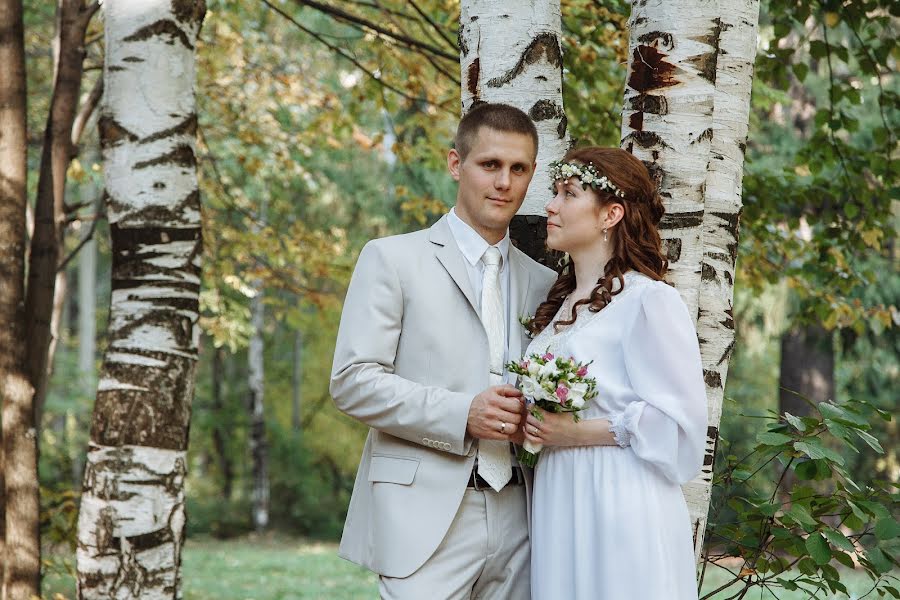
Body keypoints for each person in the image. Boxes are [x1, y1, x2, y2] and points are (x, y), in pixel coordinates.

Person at [330, 103, 557, 599]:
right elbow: (351, 380)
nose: (504, 182)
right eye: (490, 165)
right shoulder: (392, 259)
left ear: (532, 175)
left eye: (518, 169)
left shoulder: (546, 284)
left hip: (524, 515)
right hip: (424, 520)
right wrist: (461, 413)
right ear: (456, 165)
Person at [522, 146, 708, 600]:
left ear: (611, 214)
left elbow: (678, 424)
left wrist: (573, 433)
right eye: (555, 192)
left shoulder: (649, 301)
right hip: (560, 496)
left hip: (620, 496)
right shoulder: (557, 306)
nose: (551, 205)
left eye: (568, 194)